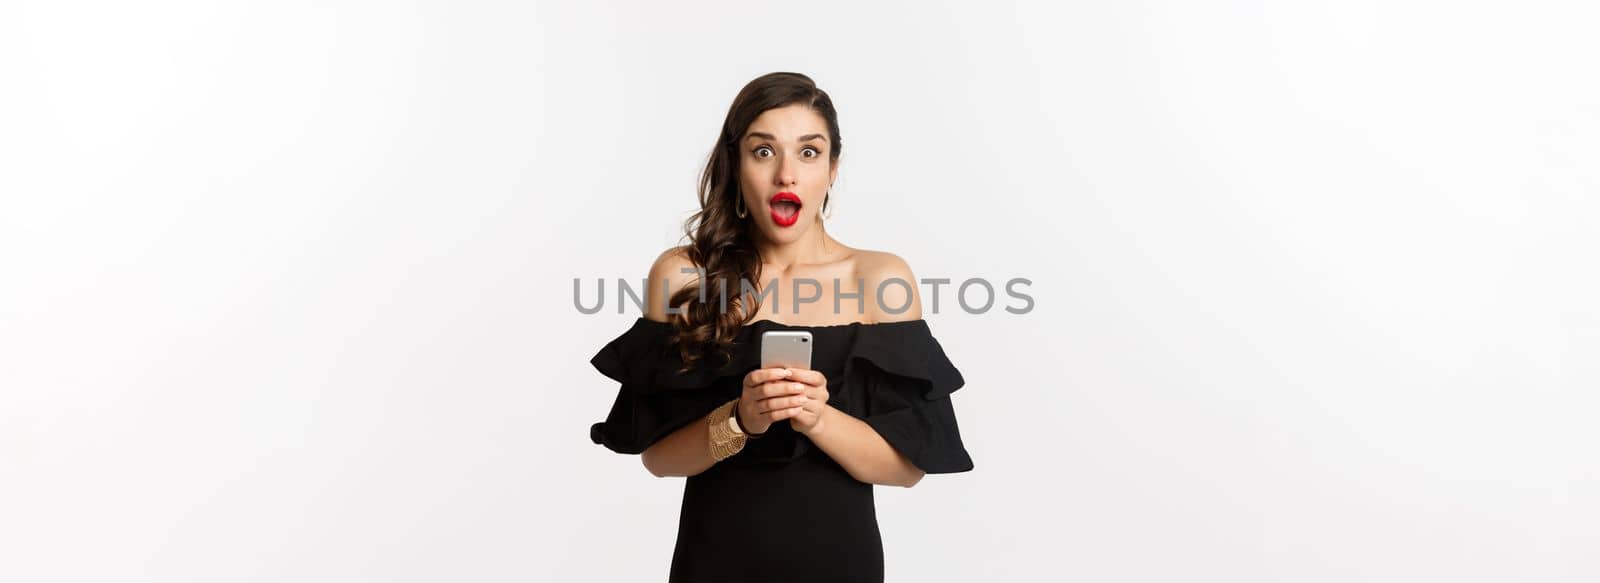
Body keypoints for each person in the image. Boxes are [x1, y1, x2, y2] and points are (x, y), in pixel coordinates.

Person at [589, 72, 973, 583]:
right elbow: (658, 459)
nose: (787, 174)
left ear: (833, 168)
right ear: (736, 164)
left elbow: (907, 469)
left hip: (841, 564)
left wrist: (817, 418)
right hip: (713, 564)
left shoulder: (881, 279)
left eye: (809, 153)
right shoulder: (685, 275)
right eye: (764, 151)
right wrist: (741, 420)